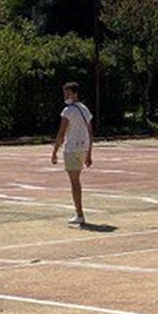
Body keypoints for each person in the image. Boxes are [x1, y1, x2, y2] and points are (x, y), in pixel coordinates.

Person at [51, 81, 94, 225]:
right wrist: (89, 153)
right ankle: (79, 212)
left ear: (75, 93)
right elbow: (90, 132)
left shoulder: (68, 111)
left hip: (72, 149)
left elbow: (61, 133)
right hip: (83, 148)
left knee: (75, 182)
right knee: (76, 181)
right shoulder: (84, 109)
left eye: (68, 92)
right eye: (65, 93)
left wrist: (55, 151)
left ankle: (79, 213)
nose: (66, 95)